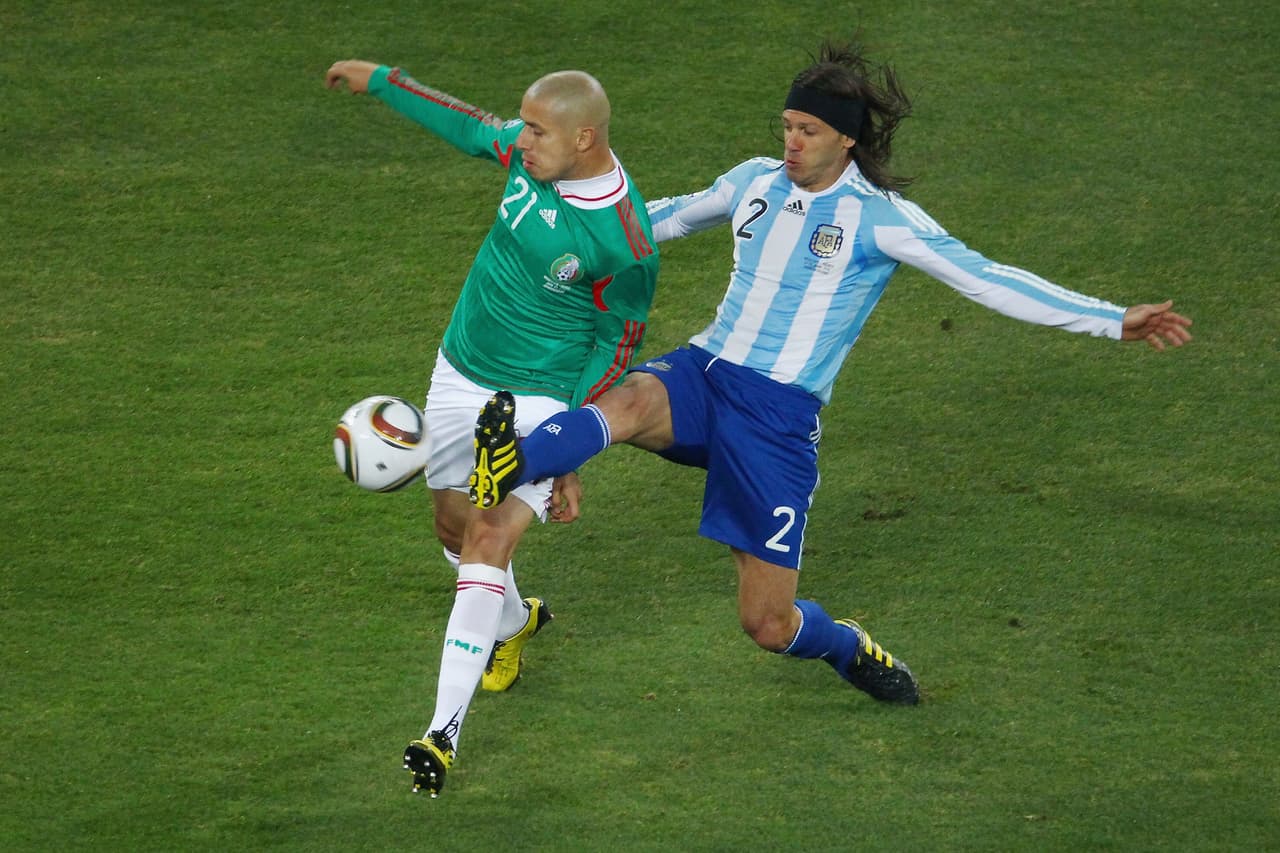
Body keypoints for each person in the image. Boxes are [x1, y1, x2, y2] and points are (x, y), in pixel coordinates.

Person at [469, 40, 1192, 707]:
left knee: (768, 622)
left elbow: (985, 277)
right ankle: (503, 463)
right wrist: (557, 235)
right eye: (786, 125)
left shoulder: (882, 219)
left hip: (775, 421)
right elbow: (653, 222)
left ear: (846, 138)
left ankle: (846, 645)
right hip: (705, 372)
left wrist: (1111, 317)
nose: (790, 140)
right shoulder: (752, 181)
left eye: (807, 130)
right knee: (624, 401)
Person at [325, 59, 659, 797]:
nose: (523, 140)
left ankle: (441, 729)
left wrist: (568, 444)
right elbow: (468, 124)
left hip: (537, 396)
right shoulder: (527, 154)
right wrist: (380, 79)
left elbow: (617, 344)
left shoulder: (624, 241)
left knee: (488, 534)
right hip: (460, 368)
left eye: (537, 130)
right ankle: (511, 623)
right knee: (452, 530)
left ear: (585, 137)